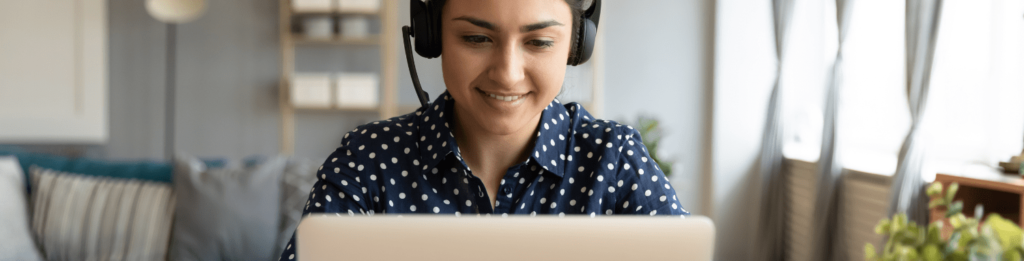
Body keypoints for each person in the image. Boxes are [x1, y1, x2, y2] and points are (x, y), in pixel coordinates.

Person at [279, 0, 687, 259]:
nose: (507, 75)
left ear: (576, 46)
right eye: (476, 37)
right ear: (432, 36)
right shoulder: (369, 159)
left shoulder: (614, 160)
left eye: (539, 42)